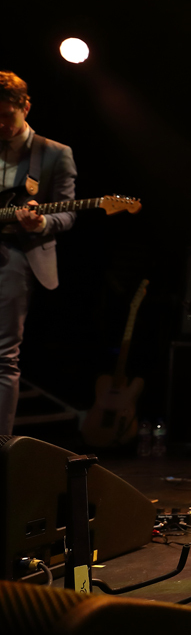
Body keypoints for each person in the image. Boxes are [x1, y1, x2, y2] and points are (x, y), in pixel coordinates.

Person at [0, 71, 77, 435]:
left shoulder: (54, 153)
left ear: (25, 107)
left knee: (3, 356)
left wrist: (40, 224)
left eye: (7, 116)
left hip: (15, 253)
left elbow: (67, 211)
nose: (1, 125)